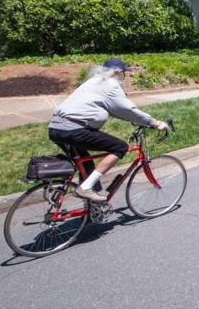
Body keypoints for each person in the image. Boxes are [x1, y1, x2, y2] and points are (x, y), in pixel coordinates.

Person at [48, 58, 168, 202]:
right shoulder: (110, 84)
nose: (125, 76)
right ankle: (85, 188)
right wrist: (154, 122)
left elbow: (113, 109)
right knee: (120, 147)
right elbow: (126, 109)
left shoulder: (94, 81)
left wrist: (134, 119)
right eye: (124, 72)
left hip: (56, 128)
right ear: (118, 72)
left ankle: (92, 209)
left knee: (86, 164)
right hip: (74, 129)